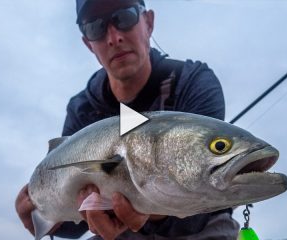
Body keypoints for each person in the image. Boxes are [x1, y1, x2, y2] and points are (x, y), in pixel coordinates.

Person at [15, 0, 240, 239]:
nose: (113, 37)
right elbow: (79, 220)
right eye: (95, 27)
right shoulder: (81, 110)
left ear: (149, 22)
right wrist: (43, 219)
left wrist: (153, 212)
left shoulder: (193, 82)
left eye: (124, 17)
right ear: (88, 43)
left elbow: (206, 193)